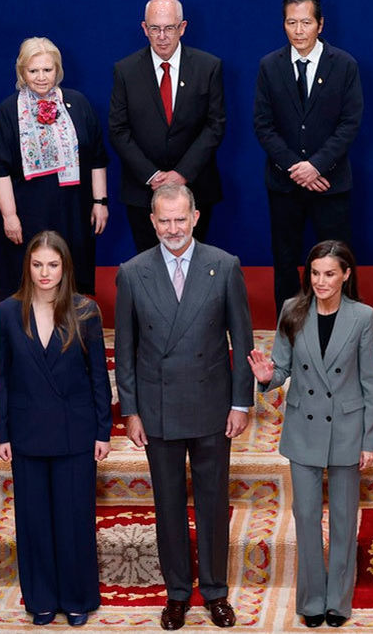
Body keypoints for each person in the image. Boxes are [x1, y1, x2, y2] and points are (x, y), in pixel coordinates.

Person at [114, 184, 255, 630]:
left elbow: (243, 340)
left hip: (213, 406)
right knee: (168, 505)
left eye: (180, 219)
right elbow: (126, 347)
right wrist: (131, 411)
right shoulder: (132, 272)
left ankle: (214, 592)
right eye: (164, 221)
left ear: (195, 216)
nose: (173, 229)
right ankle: (177, 593)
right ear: (152, 222)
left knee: (213, 504)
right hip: (157, 410)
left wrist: (240, 402)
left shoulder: (224, 265)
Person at [247, 241, 373, 629]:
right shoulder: (292, 309)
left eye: (330, 274)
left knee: (341, 517)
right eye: (315, 274)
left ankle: (338, 600)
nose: (321, 281)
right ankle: (312, 599)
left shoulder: (362, 316)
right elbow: (282, 369)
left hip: (346, 429)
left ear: (346, 276)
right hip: (303, 428)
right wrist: (268, 378)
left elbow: (370, 383)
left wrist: (368, 441)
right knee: (305, 516)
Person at [0, 231, 113, 627]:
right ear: (28, 267)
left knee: (74, 519)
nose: (45, 273)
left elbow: (99, 375)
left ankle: (77, 597)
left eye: (53, 264)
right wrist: (2, 432)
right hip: (26, 434)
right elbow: (4, 376)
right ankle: (41, 598)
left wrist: (102, 431)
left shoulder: (86, 311)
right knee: (33, 521)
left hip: (75, 434)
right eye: (38, 264)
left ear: (65, 268)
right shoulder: (9, 311)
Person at [253, 0, 363, 310]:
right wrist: (296, 168)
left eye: (305, 22)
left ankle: (343, 330)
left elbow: (350, 124)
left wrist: (316, 165)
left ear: (321, 24)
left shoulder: (344, 65)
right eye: (291, 23)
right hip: (284, 185)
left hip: (330, 184)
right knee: (285, 261)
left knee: (337, 261)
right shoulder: (269, 66)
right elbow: (263, 124)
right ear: (283, 24)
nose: (298, 31)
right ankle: (289, 333)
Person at [0, 36, 109, 300]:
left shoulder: (79, 103)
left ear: (58, 70)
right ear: (22, 72)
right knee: (27, 281)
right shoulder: (8, 111)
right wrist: (9, 216)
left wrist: (100, 201)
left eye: (47, 69)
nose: (41, 77)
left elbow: (97, 157)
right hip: (26, 214)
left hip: (73, 211)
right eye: (33, 70)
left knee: (72, 276)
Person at [110, 0, 226, 253]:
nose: (162, 36)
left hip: (196, 187)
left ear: (182, 27)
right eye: (155, 29)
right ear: (144, 29)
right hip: (142, 191)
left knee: (195, 265)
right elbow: (118, 130)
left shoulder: (209, 67)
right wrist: (152, 176)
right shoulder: (125, 71)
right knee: (148, 269)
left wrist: (182, 173)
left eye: (169, 28)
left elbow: (214, 125)